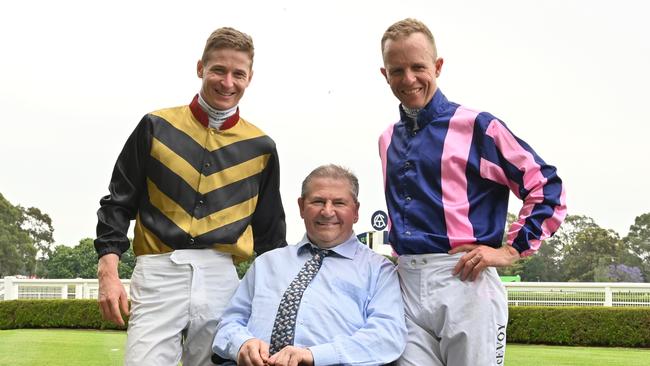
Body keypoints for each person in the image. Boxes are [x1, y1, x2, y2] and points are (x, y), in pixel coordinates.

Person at [377, 18, 567, 366]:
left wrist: (510, 251)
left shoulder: (478, 126)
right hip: (403, 285)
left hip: (465, 279)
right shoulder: (387, 138)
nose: (409, 79)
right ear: (384, 74)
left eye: (418, 67)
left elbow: (546, 186)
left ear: (437, 66)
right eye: (397, 70)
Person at [94, 26, 287, 366]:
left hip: (222, 277)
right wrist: (108, 271)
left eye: (238, 74)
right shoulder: (155, 126)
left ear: (250, 77)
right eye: (218, 70)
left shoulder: (262, 148)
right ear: (201, 68)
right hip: (157, 271)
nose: (228, 82)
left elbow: (271, 235)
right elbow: (118, 202)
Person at [213, 164, 407, 366]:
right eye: (318, 201)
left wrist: (314, 356)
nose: (327, 211)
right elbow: (229, 322)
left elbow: (387, 336)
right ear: (301, 207)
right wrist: (242, 343)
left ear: (356, 211)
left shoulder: (379, 270)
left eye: (339, 203)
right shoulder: (266, 264)